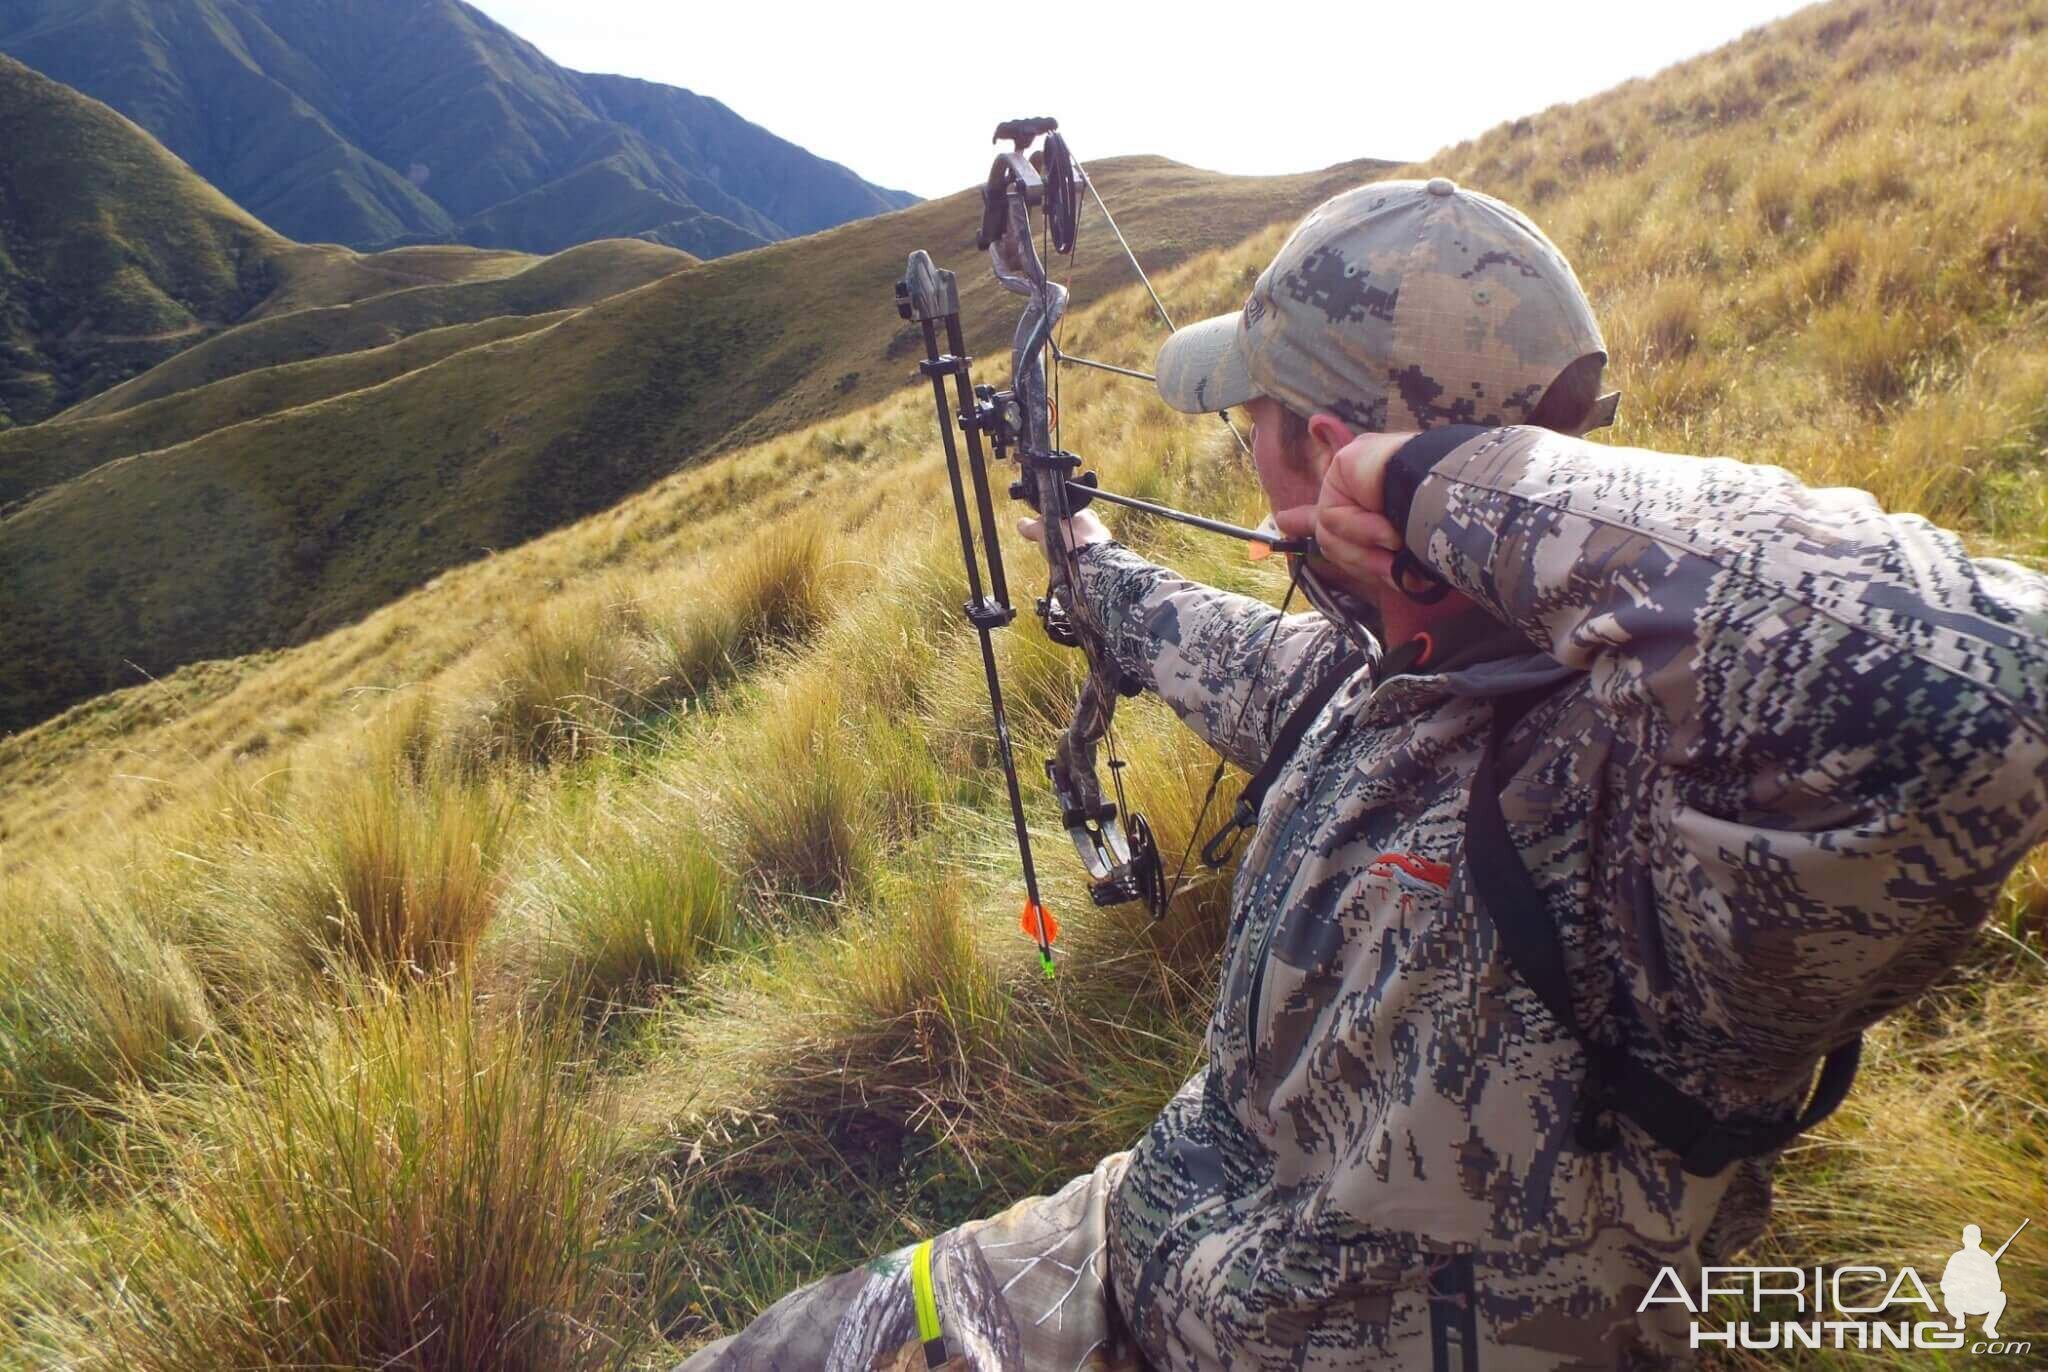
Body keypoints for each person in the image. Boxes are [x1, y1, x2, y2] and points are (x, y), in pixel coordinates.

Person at [678, 178, 2048, 1369]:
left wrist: (1429, 489)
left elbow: (1986, 686)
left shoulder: (1667, 830)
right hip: (1126, 1247)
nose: (1241, 449)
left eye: (1258, 422)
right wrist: (1084, 554)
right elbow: (1204, 642)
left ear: (1330, 458)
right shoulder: (1379, 681)